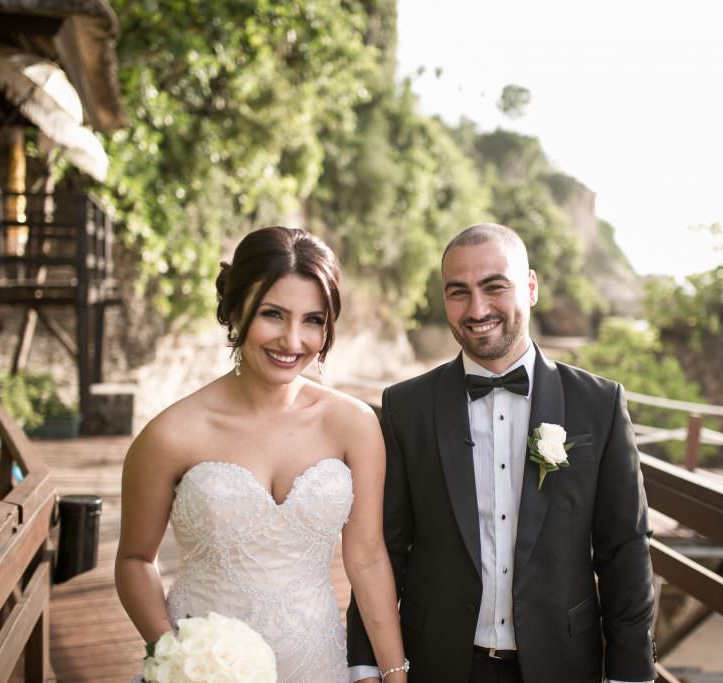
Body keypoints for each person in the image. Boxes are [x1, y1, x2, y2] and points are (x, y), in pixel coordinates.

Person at [347, 223, 656, 683]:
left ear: (530, 288)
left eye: (495, 287)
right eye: (458, 292)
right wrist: (366, 662)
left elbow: (624, 549)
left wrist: (631, 674)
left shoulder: (600, 404)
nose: (477, 309)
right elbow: (382, 547)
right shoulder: (404, 407)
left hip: (563, 663)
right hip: (435, 662)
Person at [116, 226, 408, 682]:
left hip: (318, 663)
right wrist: (175, 658)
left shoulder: (354, 424)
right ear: (234, 309)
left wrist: (393, 671)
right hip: (201, 670)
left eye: (313, 320)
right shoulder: (169, 435)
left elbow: (367, 557)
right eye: (273, 314)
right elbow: (135, 561)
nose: (293, 342)